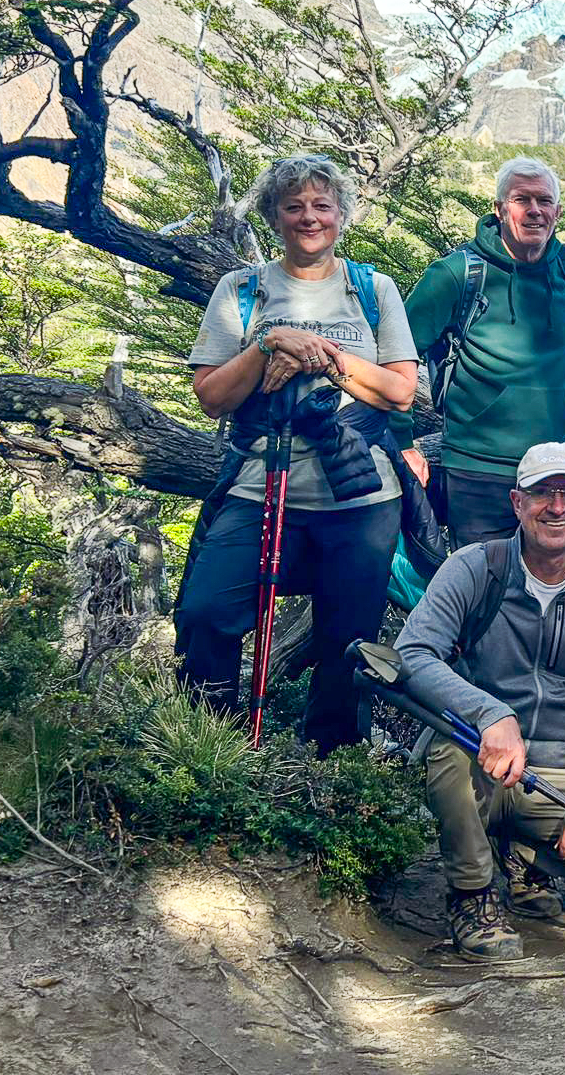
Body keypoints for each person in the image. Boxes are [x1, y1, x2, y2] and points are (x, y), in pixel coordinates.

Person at [179, 154, 417, 755]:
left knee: (350, 636)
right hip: (261, 482)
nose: (309, 217)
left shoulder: (373, 289)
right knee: (208, 609)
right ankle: (209, 744)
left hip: (362, 493)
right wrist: (268, 344)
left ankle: (330, 761)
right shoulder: (241, 291)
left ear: (341, 215)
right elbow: (211, 397)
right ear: (274, 216)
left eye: (321, 205)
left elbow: (399, 390)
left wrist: (321, 356)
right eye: (294, 206)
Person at [395, 442, 565, 961]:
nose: (556, 506)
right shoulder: (477, 567)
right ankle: (473, 896)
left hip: (562, 768)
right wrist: (490, 713)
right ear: (518, 503)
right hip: (479, 756)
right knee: (452, 752)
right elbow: (412, 653)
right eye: (542, 493)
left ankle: (524, 853)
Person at [394, 156, 565, 549]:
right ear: (500, 209)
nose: (535, 210)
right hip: (477, 472)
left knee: (555, 591)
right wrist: (403, 439)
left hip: (553, 470)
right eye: (522, 199)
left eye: (544, 201)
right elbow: (397, 354)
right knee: (481, 593)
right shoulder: (457, 274)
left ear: (557, 212)